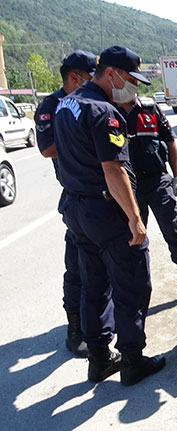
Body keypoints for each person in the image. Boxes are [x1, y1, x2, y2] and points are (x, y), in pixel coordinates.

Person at [53, 45, 165, 386]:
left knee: (94, 285)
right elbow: (113, 170)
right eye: (130, 79)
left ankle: (99, 359)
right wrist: (134, 218)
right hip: (105, 211)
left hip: (76, 209)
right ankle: (132, 360)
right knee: (131, 282)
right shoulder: (105, 111)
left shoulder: (65, 105)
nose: (132, 87)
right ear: (111, 73)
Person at [36, 49, 97, 358]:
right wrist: (83, 141)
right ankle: (75, 329)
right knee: (76, 266)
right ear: (76, 77)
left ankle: (100, 324)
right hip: (75, 194)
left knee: (104, 265)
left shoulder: (92, 101)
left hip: (100, 193)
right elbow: (47, 148)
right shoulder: (51, 105)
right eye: (91, 76)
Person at [116, 95, 177, 301]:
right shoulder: (111, 109)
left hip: (158, 181)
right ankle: (137, 288)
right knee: (133, 236)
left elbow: (170, 142)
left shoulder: (149, 108)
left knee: (173, 230)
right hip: (130, 185)